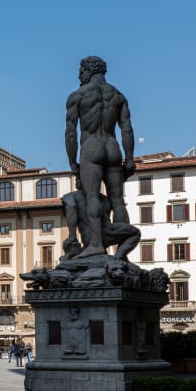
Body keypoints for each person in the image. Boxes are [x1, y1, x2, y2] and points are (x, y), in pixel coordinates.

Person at [65, 56, 135, 257]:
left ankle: (95, 245)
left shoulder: (78, 95)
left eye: (81, 71)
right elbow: (127, 130)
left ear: (89, 71)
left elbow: (71, 133)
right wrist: (129, 158)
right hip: (113, 148)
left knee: (92, 196)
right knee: (118, 200)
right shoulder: (118, 96)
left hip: (92, 147)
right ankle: (123, 252)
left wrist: (72, 162)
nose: (79, 75)